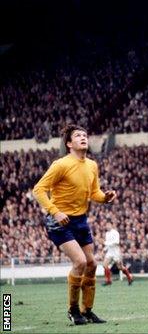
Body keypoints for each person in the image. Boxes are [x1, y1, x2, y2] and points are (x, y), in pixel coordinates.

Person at [33, 125, 116, 325]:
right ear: (69, 144)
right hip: (59, 220)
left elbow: (94, 192)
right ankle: (73, 310)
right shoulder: (60, 165)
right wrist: (55, 211)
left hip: (80, 220)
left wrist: (105, 197)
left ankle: (87, 310)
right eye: (78, 135)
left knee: (92, 264)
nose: (83, 137)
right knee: (79, 262)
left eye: (85, 135)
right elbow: (38, 190)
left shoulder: (92, 165)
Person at [102, 220, 134, 286]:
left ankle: (129, 278)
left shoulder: (115, 232)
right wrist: (104, 249)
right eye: (106, 225)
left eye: (108, 224)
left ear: (111, 225)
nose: (107, 226)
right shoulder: (107, 233)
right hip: (110, 252)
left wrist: (106, 243)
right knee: (105, 265)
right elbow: (107, 244)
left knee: (120, 267)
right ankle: (108, 280)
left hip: (116, 252)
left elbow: (117, 242)